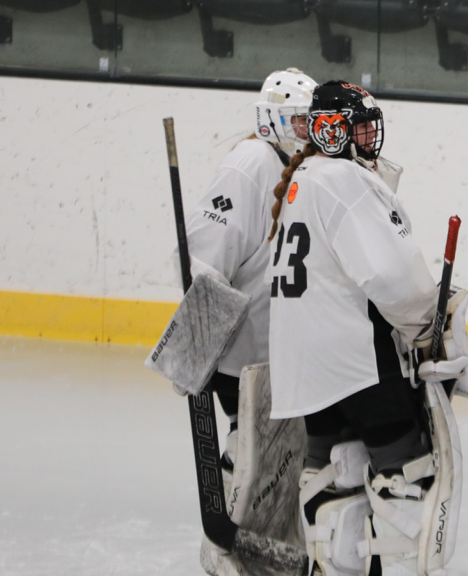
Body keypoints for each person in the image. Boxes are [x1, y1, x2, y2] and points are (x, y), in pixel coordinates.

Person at [267, 80, 468, 576]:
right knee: (405, 476)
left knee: (332, 474)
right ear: (330, 131)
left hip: (306, 369)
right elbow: (391, 276)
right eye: (357, 127)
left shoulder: (302, 179)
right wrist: (429, 330)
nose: (368, 137)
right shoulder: (343, 180)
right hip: (359, 361)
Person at [179, 67, 316, 576]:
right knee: (250, 456)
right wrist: (195, 343)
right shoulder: (251, 162)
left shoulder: (296, 165)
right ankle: (223, 555)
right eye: (300, 121)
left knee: (279, 459)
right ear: (274, 119)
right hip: (241, 353)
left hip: (275, 349)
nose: (308, 131)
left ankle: (260, 548)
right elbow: (207, 255)